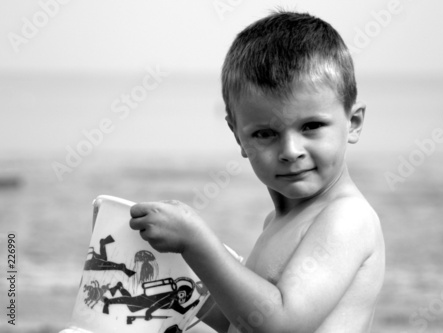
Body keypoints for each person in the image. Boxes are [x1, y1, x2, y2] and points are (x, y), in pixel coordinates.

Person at [129, 10, 385, 333]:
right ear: (238, 136)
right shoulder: (277, 222)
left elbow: (282, 324)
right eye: (265, 134)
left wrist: (194, 241)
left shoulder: (347, 218)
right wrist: (143, 259)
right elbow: (236, 321)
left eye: (311, 126)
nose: (291, 151)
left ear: (354, 123)